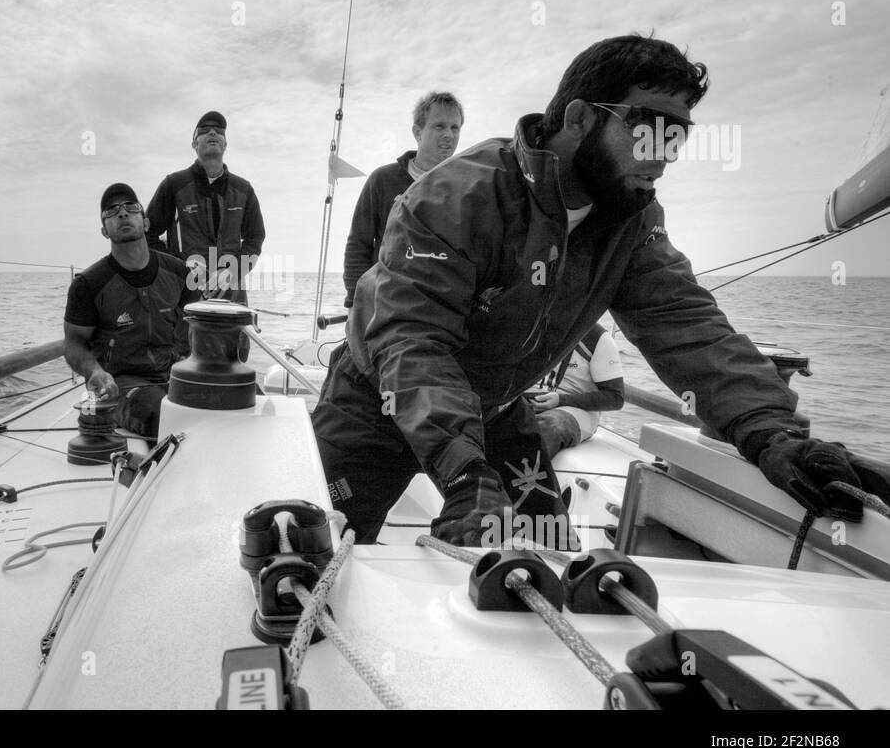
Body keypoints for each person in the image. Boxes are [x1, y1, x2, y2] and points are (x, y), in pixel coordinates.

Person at [312, 33, 890, 547]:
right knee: (317, 553)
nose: (664, 155)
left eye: (678, 135)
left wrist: (771, 432)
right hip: (375, 404)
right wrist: (465, 472)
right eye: (649, 130)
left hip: (496, 409)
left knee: (554, 554)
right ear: (582, 119)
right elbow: (410, 339)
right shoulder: (455, 197)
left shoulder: (632, 218)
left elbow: (686, 326)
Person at [63, 183, 199, 438]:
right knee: (161, 415)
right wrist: (95, 372)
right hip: (122, 383)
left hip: (175, 373)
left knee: (242, 394)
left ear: (146, 223)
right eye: (112, 211)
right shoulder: (89, 285)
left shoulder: (180, 273)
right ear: (104, 230)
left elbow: (197, 327)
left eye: (131, 208)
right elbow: (73, 344)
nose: (122, 213)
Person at [343, 92, 464, 307]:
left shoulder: (466, 188)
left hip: (442, 311)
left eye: (455, 128)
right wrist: (356, 301)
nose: (449, 134)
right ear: (417, 132)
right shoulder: (382, 180)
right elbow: (358, 245)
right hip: (384, 307)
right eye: (439, 126)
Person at [146, 111, 266, 305]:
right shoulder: (174, 185)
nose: (212, 132)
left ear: (225, 144)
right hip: (185, 298)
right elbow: (147, 235)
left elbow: (255, 238)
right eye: (204, 130)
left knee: (234, 335)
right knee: (187, 336)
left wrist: (232, 271)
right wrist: (181, 264)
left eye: (219, 130)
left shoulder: (243, 189)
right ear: (194, 144)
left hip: (233, 300)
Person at [529, 323, 625, 459]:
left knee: (549, 426)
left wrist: (561, 400)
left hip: (576, 409)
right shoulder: (535, 325)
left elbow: (616, 398)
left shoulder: (597, 337)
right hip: (533, 398)